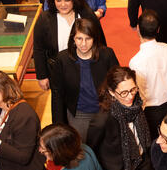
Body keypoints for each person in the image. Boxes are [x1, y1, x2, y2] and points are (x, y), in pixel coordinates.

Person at [50, 18, 118, 147]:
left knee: (106, 148)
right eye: (79, 39)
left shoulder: (107, 55)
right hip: (79, 115)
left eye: (88, 39)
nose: (83, 44)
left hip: (104, 112)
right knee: (83, 149)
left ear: (94, 39)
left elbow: (117, 84)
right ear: (73, 39)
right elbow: (57, 94)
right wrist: (58, 126)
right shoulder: (62, 59)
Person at [34, 0, 106, 91]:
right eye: (58, 0)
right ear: (53, 0)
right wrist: (42, 76)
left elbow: (100, 40)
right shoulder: (44, 19)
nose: (63, 5)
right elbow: (38, 48)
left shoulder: (86, 13)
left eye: (67, 0)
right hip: (59, 71)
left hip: (86, 69)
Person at [129, 9, 167, 140]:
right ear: (158, 29)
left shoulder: (136, 61)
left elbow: (139, 91)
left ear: (138, 28)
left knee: (153, 142)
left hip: (150, 111)